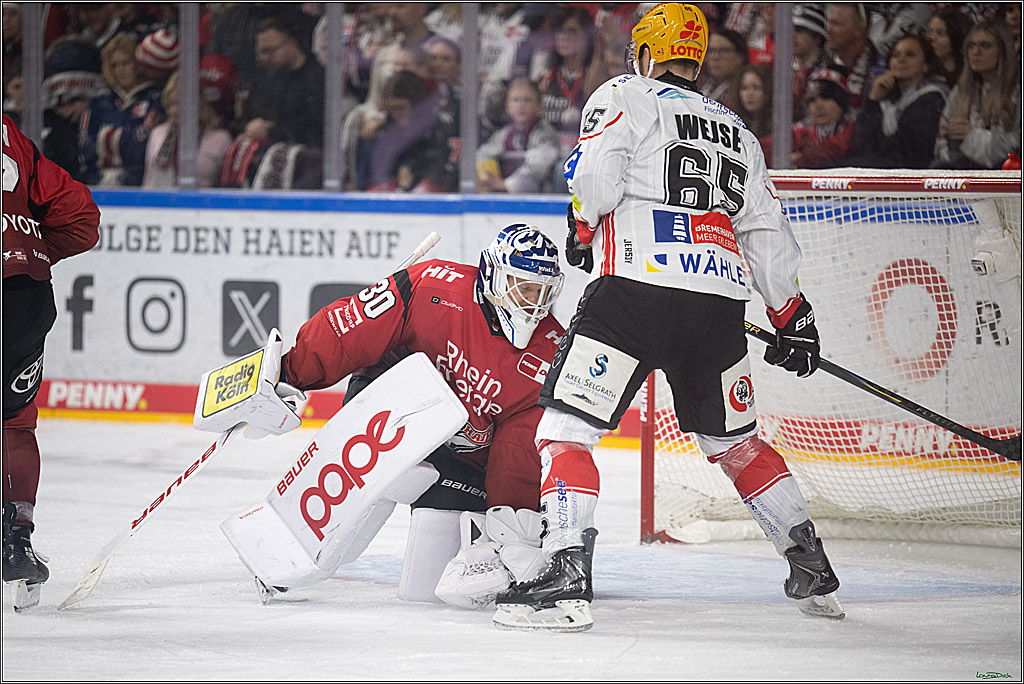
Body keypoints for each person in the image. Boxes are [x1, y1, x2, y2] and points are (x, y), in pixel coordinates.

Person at [493, 3, 844, 632]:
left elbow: (596, 185)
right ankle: (811, 565)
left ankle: (568, 578)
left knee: (565, 431)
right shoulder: (737, 126)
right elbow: (764, 228)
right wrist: (791, 313)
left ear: (648, 54)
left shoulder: (624, 92)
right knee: (735, 443)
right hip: (717, 306)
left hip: (633, 294)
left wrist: (581, 223)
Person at [209, 224, 567, 605]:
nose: (534, 301)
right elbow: (349, 328)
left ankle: (486, 541)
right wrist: (287, 374)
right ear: (494, 275)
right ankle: (288, 549)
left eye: (543, 291)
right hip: (390, 414)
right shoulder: (433, 286)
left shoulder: (549, 357)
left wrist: (513, 530)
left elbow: (519, 454)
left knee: (427, 594)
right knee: (386, 465)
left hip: (466, 466)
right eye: (524, 287)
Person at [2, 114, 101, 608]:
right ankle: (16, 538)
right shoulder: (8, 132)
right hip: (22, 295)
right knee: (14, 423)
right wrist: (24, 250)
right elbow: (81, 218)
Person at [846, 34, 948, 169]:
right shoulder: (885, 99)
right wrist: (873, 100)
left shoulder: (932, 100)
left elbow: (908, 154)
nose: (901, 59)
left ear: (925, 66)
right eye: (896, 55)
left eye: (910, 54)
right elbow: (858, 143)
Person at [932, 19, 1021, 170]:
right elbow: (942, 141)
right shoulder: (961, 90)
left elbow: (1016, 145)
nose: (976, 52)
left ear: (1003, 51)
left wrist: (973, 137)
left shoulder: (1017, 91)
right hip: (961, 173)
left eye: (985, 45)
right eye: (971, 46)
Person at [80, 33, 164, 186]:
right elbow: (86, 147)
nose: (120, 70)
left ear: (137, 64)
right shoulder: (98, 102)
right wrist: (124, 138)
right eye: (114, 65)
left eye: (125, 63)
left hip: (137, 184)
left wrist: (107, 138)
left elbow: (140, 150)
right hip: (96, 182)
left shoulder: (154, 100)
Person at [143, 71, 232, 188]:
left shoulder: (221, 139)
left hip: (201, 204)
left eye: (179, 104)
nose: (173, 111)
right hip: (159, 203)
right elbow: (147, 181)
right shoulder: (157, 134)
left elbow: (226, 186)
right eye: (170, 105)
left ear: (197, 103)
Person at [476, 77, 560, 194]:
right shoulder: (503, 134)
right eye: (515, 100)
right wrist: (486, 178)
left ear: (539, 106)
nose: (521, 105)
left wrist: (505, 184)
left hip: (539, 200)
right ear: (508, 107)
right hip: (505, 197)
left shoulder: (546, 133)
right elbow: (483, 153)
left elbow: (538, 167)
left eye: (527, 100)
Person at [823, 2, 886, 113]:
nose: (828, 29)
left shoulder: (883, 71)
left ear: (859, 31)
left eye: (836, 24)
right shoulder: (820, 65)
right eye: (828, 22)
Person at [791, 68, 855, 169]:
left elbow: (837, 148)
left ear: (841, 101)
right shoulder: (798, 132)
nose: (818, 106)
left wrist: (803, 158)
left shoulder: (856, 130)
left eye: (825, 97)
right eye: (812, 100)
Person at [730, 63, 773, 160]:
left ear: (767, 90)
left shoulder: (778, 125)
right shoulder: (734, 123)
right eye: (744, 88)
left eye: (756, 88)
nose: (749, 94)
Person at [926, 7, 972, 89]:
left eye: (940, 33)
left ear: (956, 38)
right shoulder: (920, 70)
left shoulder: (968, 78)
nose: (931, 38)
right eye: (929, 32)